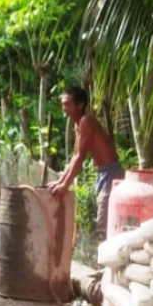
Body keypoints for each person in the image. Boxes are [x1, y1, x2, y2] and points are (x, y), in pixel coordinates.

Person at [48, 86, 123, 239]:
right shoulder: (78, 124)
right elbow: (75, 156)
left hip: (111, 174)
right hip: (103, 173)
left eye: (68, 104)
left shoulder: (86, 121)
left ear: (80, 105)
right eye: (63, 104)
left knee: (106, 223)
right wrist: (60, 181)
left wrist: (65, 185)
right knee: (104, 222)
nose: (64, 108)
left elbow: (80, 158)